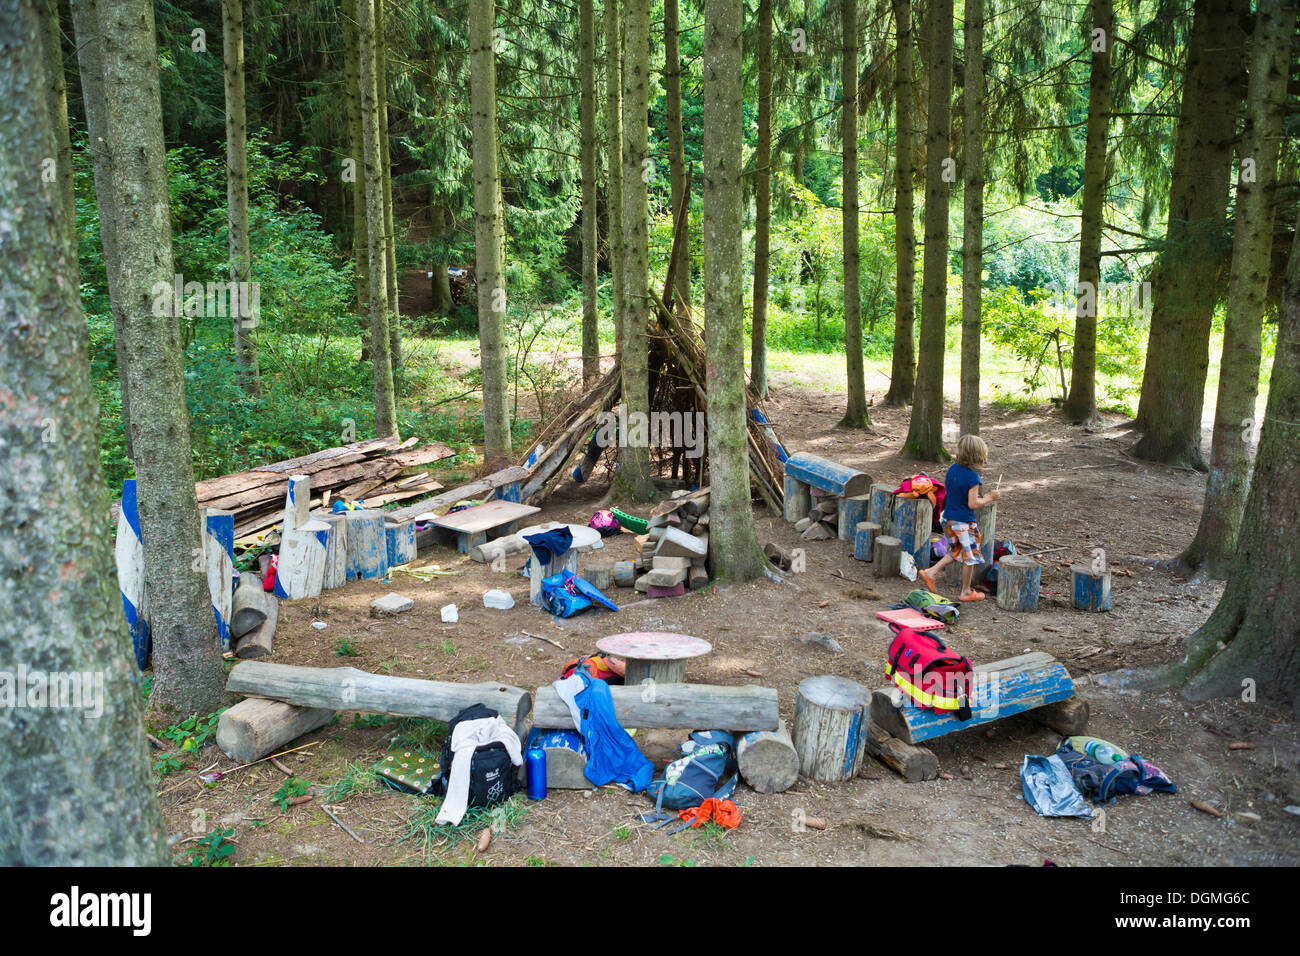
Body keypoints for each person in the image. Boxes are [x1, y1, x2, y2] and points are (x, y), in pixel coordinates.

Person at [919, 435, 999, 602]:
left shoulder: (952, 469)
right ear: (978, 455)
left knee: (957, 551)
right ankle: (966, 591)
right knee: (970, 558)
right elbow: (973, 503)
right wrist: (990, 498)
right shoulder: (973, 478)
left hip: (947, 519)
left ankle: (931, 572)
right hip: (964, 522)